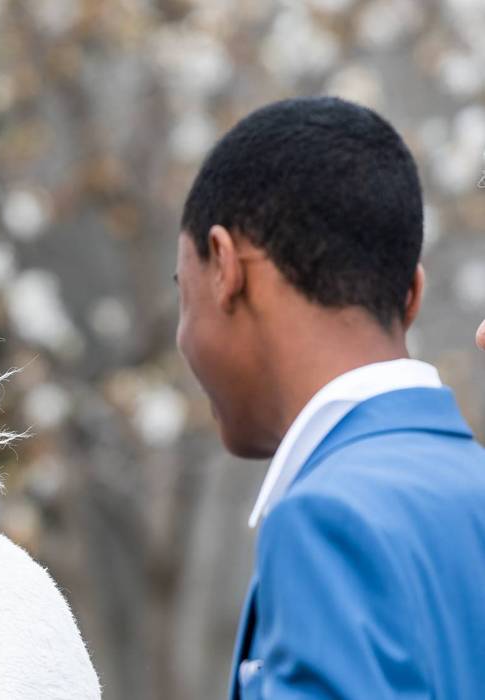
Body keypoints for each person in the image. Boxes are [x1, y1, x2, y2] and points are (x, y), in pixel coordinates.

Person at [174, 96, 485, 699]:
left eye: (182, 293)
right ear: (413, 295)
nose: (181, 335)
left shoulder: (326, 519)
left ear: (225, 267)